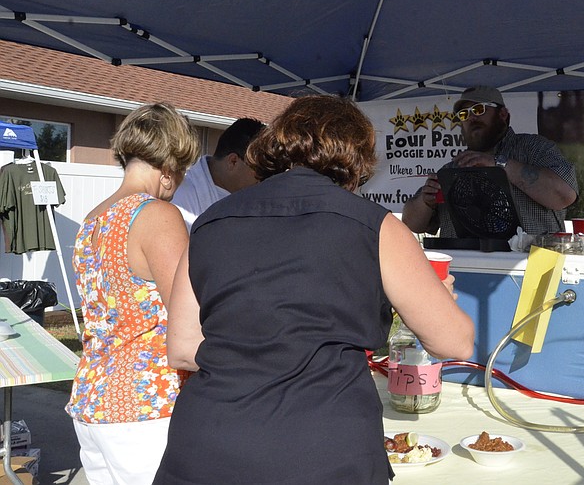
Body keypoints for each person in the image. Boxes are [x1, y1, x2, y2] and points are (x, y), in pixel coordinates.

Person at [154, 95, 473, 484]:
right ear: (356, 160)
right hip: (323, 449)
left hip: (209, 444)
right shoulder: (376, 226)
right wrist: (437, 293)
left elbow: (184, 349)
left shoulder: (209, 221)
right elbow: (454, 342)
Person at [65, 102, 201, 485]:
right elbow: (188, 311)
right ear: (172, 167)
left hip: (94, 396)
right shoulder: (156, 215)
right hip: (145, 404)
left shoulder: (93, 219)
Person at [402, 85, 579, 237]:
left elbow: (565, 196)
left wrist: (499, 164)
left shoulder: (534, 148)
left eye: (479, 109)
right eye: (464, 114)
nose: (471, 117)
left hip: (528, 270)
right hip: (463, 271)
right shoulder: (454, 168)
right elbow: (410, 223)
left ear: (502, 114)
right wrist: (426, 202)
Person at [171, 117, 265, 230]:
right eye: (259, 169)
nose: (263, 177)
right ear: (233, 161)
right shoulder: (180, 196)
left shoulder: (256, 199)